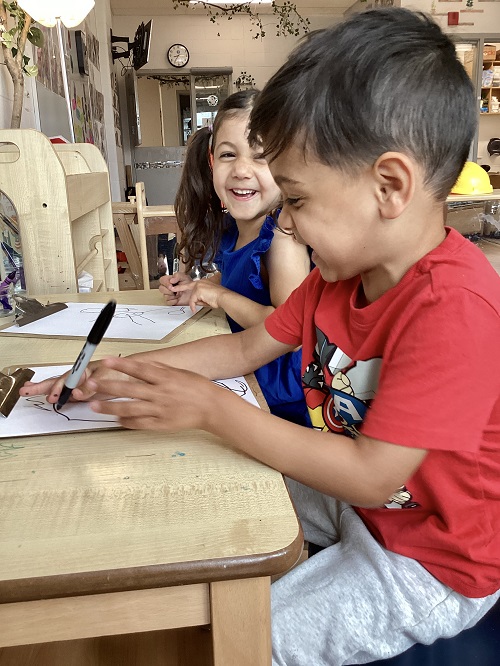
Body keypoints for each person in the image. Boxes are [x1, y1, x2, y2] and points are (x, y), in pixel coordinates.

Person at [22, 8, 500, 665]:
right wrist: (122, 375)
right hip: (363, 510)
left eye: (299, 201)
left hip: (431, 559)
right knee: (201, 489)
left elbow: (370, 474)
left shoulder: (456, 307)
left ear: (389, 187)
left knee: (250, 640)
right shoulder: (338, 277)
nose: (291, 225)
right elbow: (244, 348)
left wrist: (213, 407)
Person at [160, 89, 311, 425]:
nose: (242, 170)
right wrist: (197, 286)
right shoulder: (234, 227)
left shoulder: (281, 238)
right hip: (239, 370)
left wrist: (219, 295)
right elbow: (238, 279)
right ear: (212, 161)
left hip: (277, 399)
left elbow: (291, 334)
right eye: (229, 155)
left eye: (260, 157)